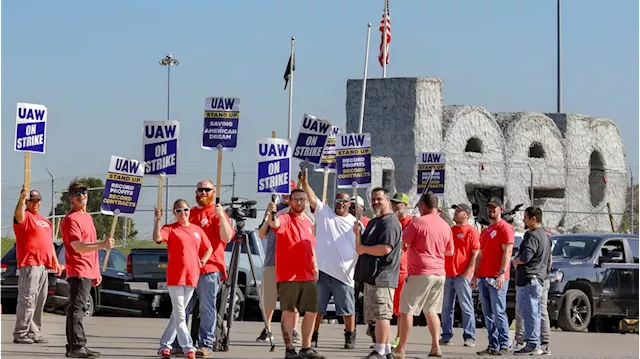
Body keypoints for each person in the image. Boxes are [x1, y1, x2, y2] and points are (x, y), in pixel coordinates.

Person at [298, 170, 359, 349]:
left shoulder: (356, 224)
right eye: (337, 201)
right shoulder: (324, 213)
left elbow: (362, 247)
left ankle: (350, 336)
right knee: (317, 309)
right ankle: (313, 336)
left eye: (343, 201)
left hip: (344, 275)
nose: (339, 204)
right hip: (322, 272)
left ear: (349, 204)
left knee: (348, 310)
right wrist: (304, 183)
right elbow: (312, 197)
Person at [393, 192, 453, 358]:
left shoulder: (418, 222)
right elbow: (450, 251)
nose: (418, 208)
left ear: (424, 205)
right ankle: (435, 346)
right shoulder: (445, 225)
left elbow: (404, 241)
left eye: (419, 206)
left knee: (407, 310)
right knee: (431, 311)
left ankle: (401, 349)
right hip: (439, 272)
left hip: (420, 271)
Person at [267, 188, 325, 359]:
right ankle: (289, 349)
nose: (299, 202)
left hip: (307, 274)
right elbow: (274, 224)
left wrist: (315, 267)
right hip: (288, 275)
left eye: (302, 199)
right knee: (289, 311)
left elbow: (311, 247)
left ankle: (306, 348)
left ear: (306, 202)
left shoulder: (308, 221)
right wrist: (272, 213)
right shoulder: (284, 218)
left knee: (311, 311)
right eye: (296, 199)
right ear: (290, 201)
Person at [60, 181, 115, 358]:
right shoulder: (70, 220)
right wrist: (102, 245)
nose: (82, 195)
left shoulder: (87, 217)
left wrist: (96, 271)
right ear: (71, 198)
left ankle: (76, 346)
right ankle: (76, 346)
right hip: (78, 269)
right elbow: (78, 246)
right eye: (77, 193)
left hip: (88, 270)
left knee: (79, 308)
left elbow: (90, 248)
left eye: (84, 192)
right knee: (77, 308)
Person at [155, 199, 213, 359]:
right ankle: (188, 347)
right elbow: (158, 238)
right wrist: (158, 220)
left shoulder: (196, 230)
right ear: (174, 213)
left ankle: (164, 345)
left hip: (192, 276)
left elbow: (209, 248)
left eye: (185, 209)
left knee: (177, 314)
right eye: (179, 210)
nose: (183, 213)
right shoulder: (170, 228)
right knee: (181, 314)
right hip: (175, 277)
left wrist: (202, 261)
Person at [353, 187, 402, 359]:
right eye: (373, 199)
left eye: (379, 199)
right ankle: (386, 349)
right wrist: (358, 234)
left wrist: (363, 248)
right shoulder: (375, 222)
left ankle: (380, 350)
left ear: (388, 200)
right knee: (375, 316)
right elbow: (360, 248)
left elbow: (385, 248)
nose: (375, 202)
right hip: (371, 277)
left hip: (383, 277)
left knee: (382, 315)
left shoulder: (389, 222)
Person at [13, 186, 62, 344]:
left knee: (39, 300)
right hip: (30, 264)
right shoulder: (24, 217)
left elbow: (49, 244)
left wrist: (56, 262)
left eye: (37, 200)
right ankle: (20, 333)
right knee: (27, 299)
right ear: (27, 202)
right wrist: (21, 199)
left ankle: (34, 332)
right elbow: (18, 215)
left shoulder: (46, 222)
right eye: (32, 201)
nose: (35, 203)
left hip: (43, 266)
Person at [256, 180, 302, 345]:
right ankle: (267, 329)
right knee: (268, 298)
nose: (285, 194)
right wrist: (269, 216)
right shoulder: (273, 210)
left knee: (293, 300)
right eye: (282, 191)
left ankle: (293, 330)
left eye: (288, 191)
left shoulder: (297, 211)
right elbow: (262, 234)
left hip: (292, 263)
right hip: (272, 260)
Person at [472, 197, 514, 356]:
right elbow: (480, 255)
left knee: (499, 311)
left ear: (501, 209)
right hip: (483, 277)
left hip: (497, 277)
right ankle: (493, 345)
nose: (491, 210)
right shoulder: (485, 231)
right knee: (487, 313)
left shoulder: (505, 228)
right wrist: (475, 275)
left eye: (494, 207)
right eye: (489, 207)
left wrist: (502, 273)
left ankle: (504, 344)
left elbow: (508, 252)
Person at [439, 203, 480, 347]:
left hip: (462, 275)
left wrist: (469, 271)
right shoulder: (450, 230)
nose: (455, 212)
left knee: (466, 306)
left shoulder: (472, 231)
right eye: (455, 210)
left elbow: (475, 253)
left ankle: (469, 336)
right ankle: (446, 335)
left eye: (459, 211)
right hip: (448, 274)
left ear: (467, 214)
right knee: (446, 307)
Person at [511, 207, 550, 355]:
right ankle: (536, 343)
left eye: (525, 217)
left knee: (530, 313)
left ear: (533, 219)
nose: (523, 220)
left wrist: (516, 261)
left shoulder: (532, 235)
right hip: (537, 279)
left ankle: (533, 343)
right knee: (535, 312)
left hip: (529, 279)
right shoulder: (544, 235)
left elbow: (526, 256)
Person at [389, 193, 413, 349]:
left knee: (401, 308)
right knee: (387, 306)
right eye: (393, 203)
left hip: (404, 270)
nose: (395, 205)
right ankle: (381, 336)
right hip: (389, 268)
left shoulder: (412, 222)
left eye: (398, 203)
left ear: (405, 205)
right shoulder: (391, 221)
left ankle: (399, 338)